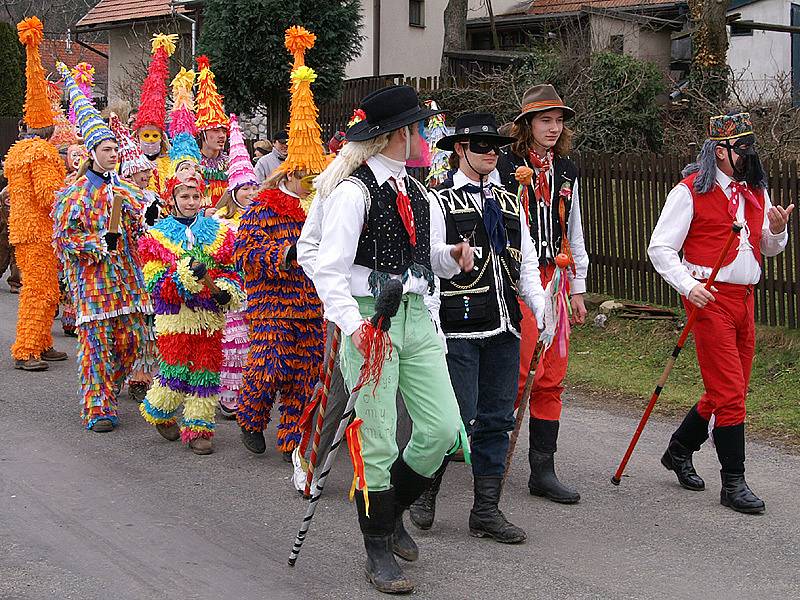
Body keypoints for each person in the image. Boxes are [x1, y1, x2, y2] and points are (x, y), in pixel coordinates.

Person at [307, 84, 472, 594]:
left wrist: (453, 258)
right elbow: (328, 270)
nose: (428, 135)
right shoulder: (353, 192)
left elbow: (426, 259)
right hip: (368, 317)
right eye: (422, 127)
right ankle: (376, 545)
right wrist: (353, 327)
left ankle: (394, 508)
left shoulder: (422, 193)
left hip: (418, 316)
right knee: (377, 435)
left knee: (443, 428)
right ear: (401, 134)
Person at [408, 113, 546, 543]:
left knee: (496, 421)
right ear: (460, 149)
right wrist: (432, 323)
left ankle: (486, 510)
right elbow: (427, 262)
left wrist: (542, 313)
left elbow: (525, 266)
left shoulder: (509, 202)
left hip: (504, 328)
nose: (490, 153)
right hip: (457, 328)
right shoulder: (437, 200)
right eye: (481, 145)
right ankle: (423, 492)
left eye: (495, 146)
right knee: (452, 420)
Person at [648, 111, 793, 514]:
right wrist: (689, 287)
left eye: (750, 146)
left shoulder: (755, 192)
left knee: (731, 388)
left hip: (745, 298)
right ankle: (734, 483)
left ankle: (679, 449)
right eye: (740, 147)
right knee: (730, 392)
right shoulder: (690, 190)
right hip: (708, 299)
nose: (747, 155)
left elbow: (765, 247)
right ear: (720, 152)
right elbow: (659, 248)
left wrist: (778, 230)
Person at [235, 28, 326, 490]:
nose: (313, 179)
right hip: (273, 301)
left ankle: (294, 435)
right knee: (270, 363)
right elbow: (245, 252)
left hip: (313, 305)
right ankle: (250, 415)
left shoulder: (326, 208)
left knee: (306, 372)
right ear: (291, 170)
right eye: (307, 173)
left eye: (318, 173)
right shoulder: (265, 205)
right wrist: (285, 254)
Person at [498, 84, 588, 504]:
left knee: (552, 375)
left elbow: (575, 231)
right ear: (527, 124)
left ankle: (542, 470)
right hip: (516, 277)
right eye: (545, 120)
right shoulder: (502, 165)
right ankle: (490, 456)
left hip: (556, 278)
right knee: (517, 371)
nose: (554, 128)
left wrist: (579, 289)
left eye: (558, 121)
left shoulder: (566, 170)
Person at [138, 114, 244, 455]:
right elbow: (155, 282)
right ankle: (161, 411)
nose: (191, 201)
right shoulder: (157, 236)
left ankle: (199, 429)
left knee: (206, 372)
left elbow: (229, 269)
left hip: (210, 317)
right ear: (172, 199)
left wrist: (226, 289)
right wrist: (184, 277)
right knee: (175, 370)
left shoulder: (217, 232)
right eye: (184, 196)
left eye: (195, 195)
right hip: (175, 317)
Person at [53, 61, 149, 432]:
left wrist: (147, 218)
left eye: (115, 150)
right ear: (92, 152)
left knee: (130, 340)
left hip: (127, 280)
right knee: (96, 345)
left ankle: (109, 384)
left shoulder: (126, 189)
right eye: (107, 150)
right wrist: (97, 242)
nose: (113, 155)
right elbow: (64, 240)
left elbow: (144, 226)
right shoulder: (73, 194)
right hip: (93, 284)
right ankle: (98, 406)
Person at [4, 17, 68, 371]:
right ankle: (27, 349)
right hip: (39, 233)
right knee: (38, 290)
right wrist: (74, 191)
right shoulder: (42, 154)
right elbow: (49, 196)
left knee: (43, 288)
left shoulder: (16, 151)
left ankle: (42, 342)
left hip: (24, 233)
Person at [108, 112, 160, 403]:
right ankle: (119, 373)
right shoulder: (117, 200)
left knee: (147, 327)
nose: (146, 175)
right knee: (126, 327)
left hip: (149, 269)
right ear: (127, 174)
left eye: (147, 171)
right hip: (126, 270)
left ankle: (143, 376)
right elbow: (114, 237)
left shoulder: (153, 198)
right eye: (140, 172)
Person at [213, 114, 257, 419]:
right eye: (245, 189)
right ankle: (228, 395)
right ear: (233, 191)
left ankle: (247, 393)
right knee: (233, 343)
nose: (251, 193)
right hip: (231, 290)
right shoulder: (220, 221)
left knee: (253, 343)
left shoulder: (262, 218)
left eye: (255, 188)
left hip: (257, 288)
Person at [131, 34, 176, 198]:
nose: (150, 139)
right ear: (137, 136)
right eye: (146, 135)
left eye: (154, 135)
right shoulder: (128, 165)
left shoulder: (170, 164)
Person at [195, 55, 229, 208]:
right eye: (215, 130)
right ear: (203, 133)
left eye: (224, 131)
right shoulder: (192, 164)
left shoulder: (231, 164)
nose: (222, 135)